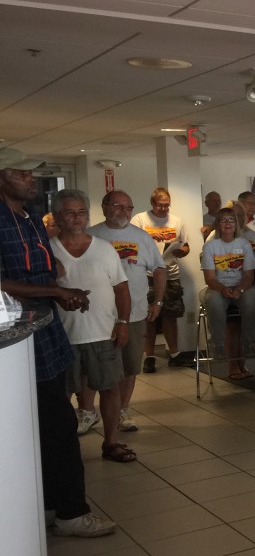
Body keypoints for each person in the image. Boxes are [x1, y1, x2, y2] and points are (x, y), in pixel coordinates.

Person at [0, 150, 115, 536]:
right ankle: (71, 513)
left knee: (53, 425)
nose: (31, 180)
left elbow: (43, 268)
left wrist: (60, 290)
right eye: (21, 174)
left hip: (46, 332)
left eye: (31, 174)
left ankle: (51, 505)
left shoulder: (31, 217)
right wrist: (55, 290)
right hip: (15, 341)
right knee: (54, 427)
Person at [52, 189, 135, 463]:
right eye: (70, 213)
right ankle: (63, 449)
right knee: (62, 394)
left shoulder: (104, 249)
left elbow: (121, 289)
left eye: (82, 212)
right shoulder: (48, 250)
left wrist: (123, 323)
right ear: (57, 217)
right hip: (63, 336)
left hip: (103, 332)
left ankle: (111, 442)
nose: (77, 218)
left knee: (110, 388)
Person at [87, 190, 166, 433]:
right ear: (104, 207)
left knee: (130, 366)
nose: (123, 211)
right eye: (117, 206)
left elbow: (159, 269)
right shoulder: (91, 235)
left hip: (135, 312)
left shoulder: (141, 237)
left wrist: (158, 302)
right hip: (98, 315)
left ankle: (122, 410)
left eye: (128, 207)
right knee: (93, 366)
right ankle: (87, 412)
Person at [131, 187, 190, 372]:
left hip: (170, 273)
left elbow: (185, 245)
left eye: (167, 205)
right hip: (147, 274)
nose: (164, 209)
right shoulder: (140, 219)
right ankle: (149, 356)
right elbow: (132, 244)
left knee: (170, 315)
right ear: (152, 203)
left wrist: (182, 251)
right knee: (149, 316)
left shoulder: (177, 221)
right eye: (160, 205)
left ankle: (174, 354)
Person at [200, 207, 255, 377]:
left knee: (252, 299)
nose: (228, 223)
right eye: (223, 220)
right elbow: (210, 279)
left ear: (236, 224)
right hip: (217, 287)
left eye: (231, 220)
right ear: (218, 224)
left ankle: (250, 344)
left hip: (242, 286)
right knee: (213, 301)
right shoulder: (210, 246)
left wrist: (239, 289)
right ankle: (217, 345)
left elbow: (249, 276)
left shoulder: (244, 244)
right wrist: (223, 289)